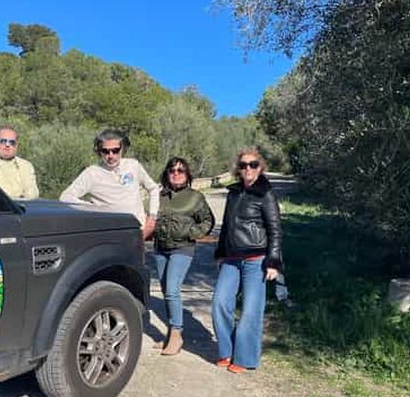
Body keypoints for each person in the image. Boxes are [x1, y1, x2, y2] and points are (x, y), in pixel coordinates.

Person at [212, 147, 282, 374]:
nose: (248, 169)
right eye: (243, 165)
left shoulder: (266, 194)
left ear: (260, 167)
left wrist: (273, 262)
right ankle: (226, 351)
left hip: (256, 259)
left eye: (253, 165)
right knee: (220, 303)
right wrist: (220, 253)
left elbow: (275, 230)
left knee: (251, 311)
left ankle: (245, 357)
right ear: (238, 169)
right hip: (231, 259)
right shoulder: (233, 193)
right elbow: (226, 226)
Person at [153, 157, 215, 356]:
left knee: (172, 290)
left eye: (181, 170)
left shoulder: (195, 197)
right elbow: (149, 217)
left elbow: (208, 221)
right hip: (160, 248)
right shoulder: (159, 196)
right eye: (172, 170)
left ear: (187, 174)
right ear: (167, 173)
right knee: (165, 291)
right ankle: (170, 333)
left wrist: (191, 233)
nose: (176, 173)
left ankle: (177, 335)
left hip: (183, 249)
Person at [60, 129, 159, 239]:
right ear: (99, 151)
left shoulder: (133, 166)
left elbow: (153, 189)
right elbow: (66, 197)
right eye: (105, 151)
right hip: (109, 235)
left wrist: (152, 218)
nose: (111, 156)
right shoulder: (92, 173)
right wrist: (94, 209)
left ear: (123, 149)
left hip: (137, 232)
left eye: (115, 150)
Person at [0, 126, 39, 200]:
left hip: (18, 208)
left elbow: (32, 194)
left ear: (16, 146)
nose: (7, 145)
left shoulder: (25, 166)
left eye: (12, 142)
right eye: (3, 141)